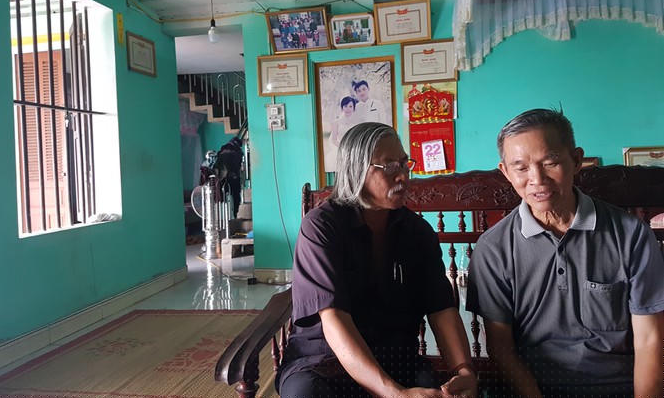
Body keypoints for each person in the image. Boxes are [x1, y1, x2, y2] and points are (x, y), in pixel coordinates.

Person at [466, 108, 664, 397]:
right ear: (505, 172)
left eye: (551, 162)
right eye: (521, 168)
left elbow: (650, 339)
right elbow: (500, 347)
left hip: (617, 388)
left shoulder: (630, 235)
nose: (537, 179)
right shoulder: (493, 248)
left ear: (576, 160)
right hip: (533, 389)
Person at [277, 122, 478, 398]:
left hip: (396, 360)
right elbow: (333, 319)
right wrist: (393, 394)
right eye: (390, 166)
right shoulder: (322, 227)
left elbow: (441, 309)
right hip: (325, 362)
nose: (403, 176)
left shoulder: (417, 232)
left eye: (405, 164)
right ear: (356, 170)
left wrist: (463, 370)